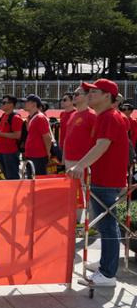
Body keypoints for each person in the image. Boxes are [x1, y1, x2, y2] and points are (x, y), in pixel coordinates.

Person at [68, 79, 128, 287]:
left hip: (108, 181)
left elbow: (102, 146)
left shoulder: (109, 117)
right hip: (104, 179)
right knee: (106, 226)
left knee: (109, 226)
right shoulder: (104, 116)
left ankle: (108, 274)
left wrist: (79, 166)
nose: (89, 94)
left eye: (95, 92)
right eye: (89, 91)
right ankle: (106, 264)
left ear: (107, 96)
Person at [63, 87, 96, 170]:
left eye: (77, 94)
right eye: (74, 94)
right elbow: (67, 137)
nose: (74, 96)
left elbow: (97, 142)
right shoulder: (73, 115)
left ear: (87, 96)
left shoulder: (92, 116)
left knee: (83, 183)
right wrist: (64, 158)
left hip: (82, 161)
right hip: (69, 160)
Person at [0, 95, 23, 180]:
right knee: (4, 176)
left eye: (4, 102)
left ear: (11, 105)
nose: (1, 104)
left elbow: (17, 135)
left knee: (12, 176)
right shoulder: (3, 116)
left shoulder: (15, 118)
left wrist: (1, 134)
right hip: (1, 151)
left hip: (11, 152)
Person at [23, 94, 51, 176]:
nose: (24, 104)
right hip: (31, 155)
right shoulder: (31, 117)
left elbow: (47, 137)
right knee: (31, 179)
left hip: (38, 156)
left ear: (34, 104)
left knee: (38, 180)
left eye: (27, 102)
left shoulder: (40, 118)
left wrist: (47, 153)